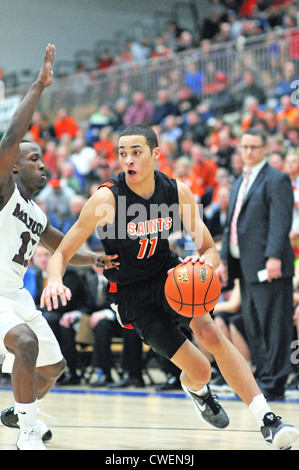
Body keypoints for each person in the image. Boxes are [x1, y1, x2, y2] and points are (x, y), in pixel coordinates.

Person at [41, 124, 299, 450]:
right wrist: (53, 280)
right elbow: (61, 251)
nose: (128, 160)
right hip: (133, 293)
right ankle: (197, 389)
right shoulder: (107, 198)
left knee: (210, 332)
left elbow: (209, 249)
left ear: (155, 154)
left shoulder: (176, 191)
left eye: (136, 152)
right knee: (201, 371)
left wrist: (203, 264)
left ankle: (268, 420)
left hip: (169, 275)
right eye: (122, 153)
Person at [0, 44, 118, 451]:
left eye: (43, 158)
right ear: (14, 164)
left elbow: (64, 250)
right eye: (33, 158)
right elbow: (11, 135)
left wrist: (99, 260)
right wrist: (39, 85)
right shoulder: (2, 191)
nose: (42, 163)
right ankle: (29, 431)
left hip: (15, 296)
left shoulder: (36, 213)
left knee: (54, 367)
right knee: (26, 344)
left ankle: (20, 411)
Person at [218, 127, 295, 402]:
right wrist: (225, 259)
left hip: (269, 266)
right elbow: (231, 225)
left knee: (274, 326)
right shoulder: (240, 181)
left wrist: (274, 255)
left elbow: (281, 221)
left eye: (254, 147)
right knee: (253, 325)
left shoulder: (277, 179)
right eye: (244, 147)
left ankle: (274, 383)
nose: (248, 152)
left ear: (265, 148)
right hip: (244, 266)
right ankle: (262, 378)